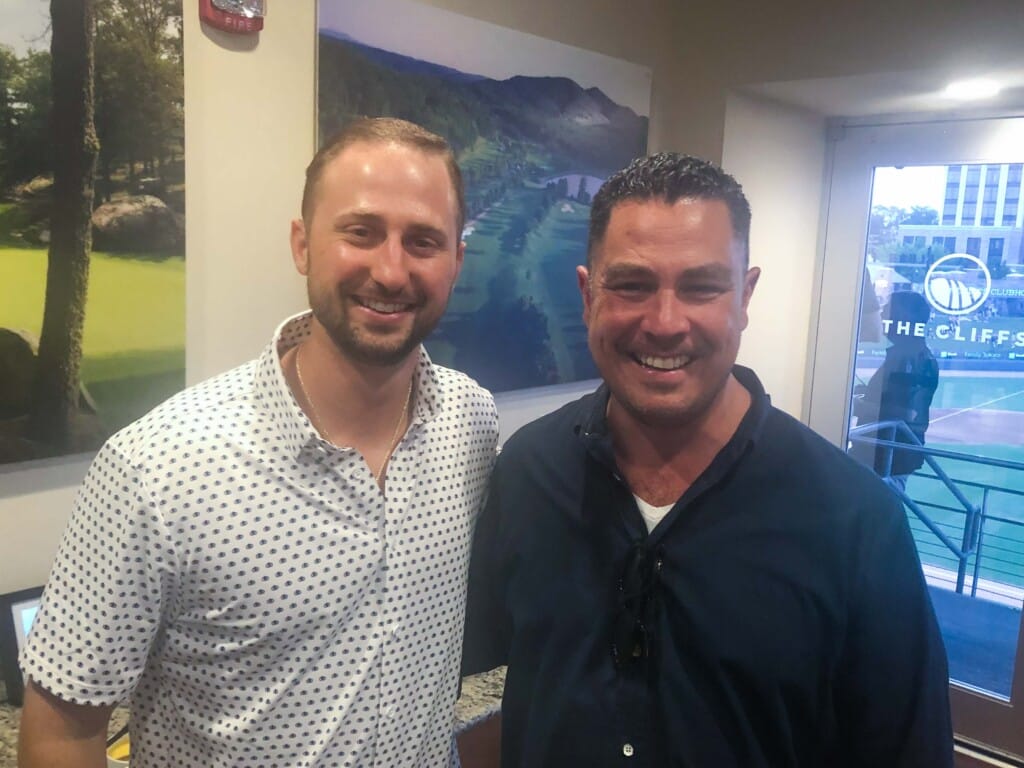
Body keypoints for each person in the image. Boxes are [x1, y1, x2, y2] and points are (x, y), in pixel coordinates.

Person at [19, 117, 499, 768]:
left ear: (456, 261)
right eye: (360, 232)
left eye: (423, 241)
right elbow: (62, 732)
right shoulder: (156, 469)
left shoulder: (470, 424)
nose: (390, 271)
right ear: (302, 245)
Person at [462, 153, 952, 767]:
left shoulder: (856, 522)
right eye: (633, 285)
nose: (665, 324)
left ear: (744, 297)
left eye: (701, 287)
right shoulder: (527, 473)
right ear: (588, 295)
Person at [851, 290, 939, 492]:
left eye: (890, 309)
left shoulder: (910, 358)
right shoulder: (912, 356)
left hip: (888, 456)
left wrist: (858, 405)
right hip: (884, 454)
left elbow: (904, 413)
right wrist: (867, 393)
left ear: (905, 317)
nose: (882, 314)